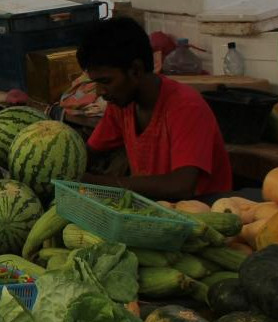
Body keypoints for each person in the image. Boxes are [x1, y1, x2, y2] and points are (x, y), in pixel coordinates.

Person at [78, 17, 232, 201]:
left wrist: (98, 183)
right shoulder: (120, 104)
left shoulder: (186, 107)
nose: (100, 92)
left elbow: (181, 186)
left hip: (203, 213)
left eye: (106, 81)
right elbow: (88, 153)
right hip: (156, 211)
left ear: (135, 70)